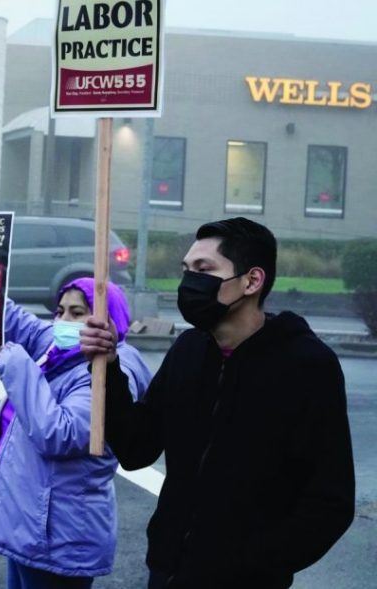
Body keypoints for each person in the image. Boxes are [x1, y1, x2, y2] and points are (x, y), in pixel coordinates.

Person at [81, 217, 355, 589]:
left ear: (252, 281)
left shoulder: (307, 366)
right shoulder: (187, 351)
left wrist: (260, 563)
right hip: (167, 572)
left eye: (204, 269)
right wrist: (109, 369)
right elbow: (136, 448)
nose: (189, 281)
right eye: (186, 269)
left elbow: (330, 500)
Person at [0, 229, 152, 588]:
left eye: (78, 313)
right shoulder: (60, 347)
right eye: (60, 310)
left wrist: (15, 364)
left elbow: (58, 434)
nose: (63, 320)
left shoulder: (108, 372)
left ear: (109, 322)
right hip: (33, 529)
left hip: (60, 538)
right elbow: (6, 316)